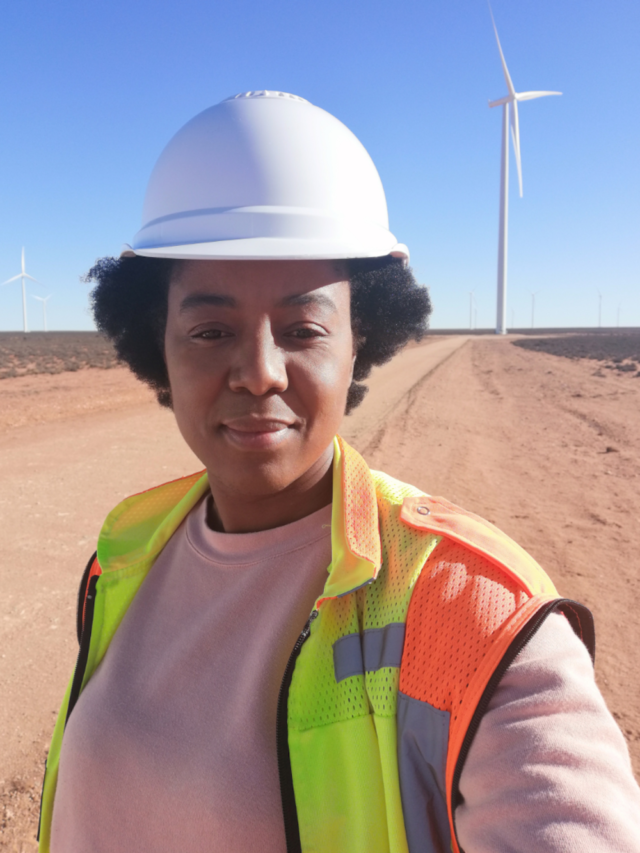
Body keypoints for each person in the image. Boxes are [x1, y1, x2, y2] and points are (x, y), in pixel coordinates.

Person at [38, 91, 640, 853]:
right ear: (159, 344)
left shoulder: (477, 614)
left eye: (303, 329)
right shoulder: (125, 554)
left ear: (363, 341)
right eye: (210, 329)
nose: (257, 372)